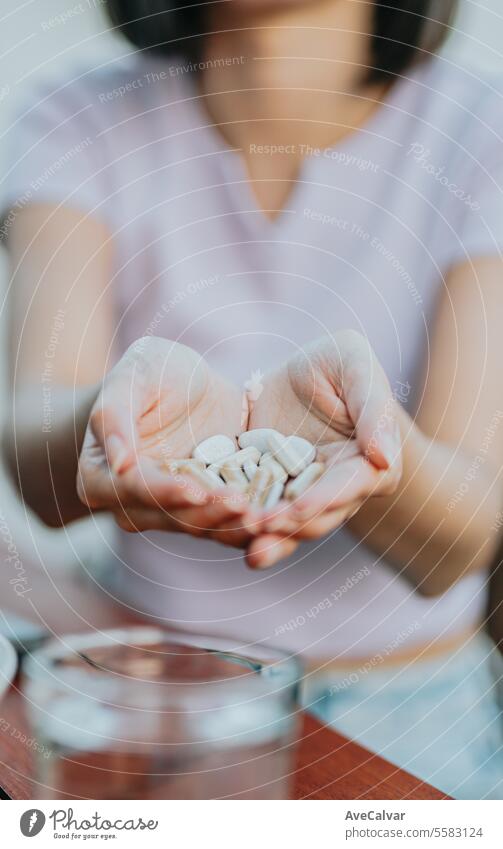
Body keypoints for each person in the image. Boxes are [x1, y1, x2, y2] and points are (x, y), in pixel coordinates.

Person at [2, 0, 503, 798]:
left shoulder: (481, 133)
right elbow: (37, 468)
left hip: (410, 721)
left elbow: (456, 546)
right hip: (153, 694)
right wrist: (115, 414)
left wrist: (373, 453)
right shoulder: (76, 117)